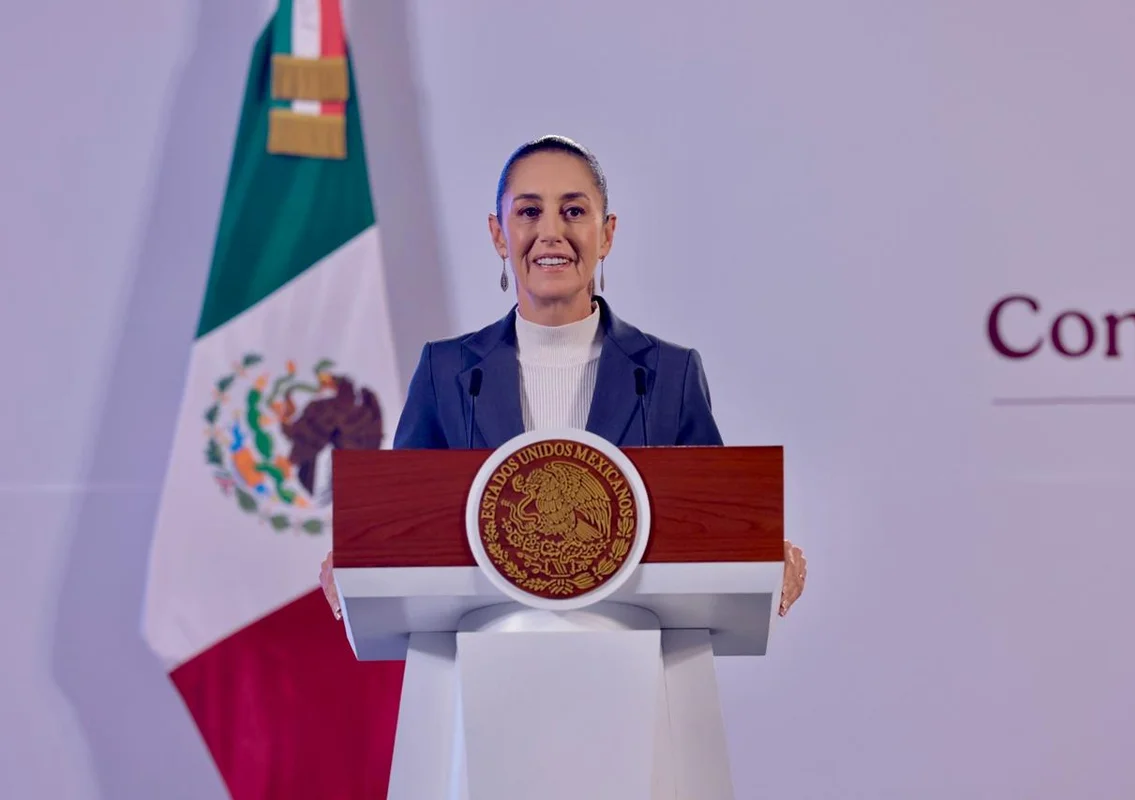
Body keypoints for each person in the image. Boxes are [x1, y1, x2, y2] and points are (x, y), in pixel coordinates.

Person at [320, 135, 806, 617]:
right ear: (498, 234)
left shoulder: (669, 375)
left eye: (573, 211)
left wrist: (764, 554)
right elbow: (404, 523)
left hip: (632, 661)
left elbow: (715, 524)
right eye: (529, 212)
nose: (551, 232)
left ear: (608, 233)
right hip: (483, 660)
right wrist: (357, 559)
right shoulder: (445, 372)